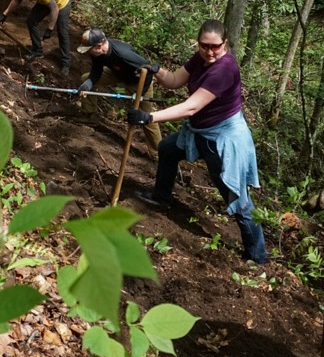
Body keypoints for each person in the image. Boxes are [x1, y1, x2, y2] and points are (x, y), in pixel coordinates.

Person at [127, 19, 267, 265]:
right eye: (204, 45)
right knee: (168, 149)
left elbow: (192, 106)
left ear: (225, 44)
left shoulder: (224, 69)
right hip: (199, 131)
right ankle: (161, 197)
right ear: (198, 43)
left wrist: (148, 117)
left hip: (223, 138)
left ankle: (257, 256)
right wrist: (157, 70)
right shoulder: (199, 59)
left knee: (237, 198)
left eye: (215, 46)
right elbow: (173, 81)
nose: (209, 51)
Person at [77, 28, 162, 155]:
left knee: (146, 116)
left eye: (89, 49)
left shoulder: (124, 54)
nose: (88, 52)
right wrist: (90, 82)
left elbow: (148, 72)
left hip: (139, 82)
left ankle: (158, 153)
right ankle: (89, 114)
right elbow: (96, 69)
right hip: (117, 74)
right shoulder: (98, 53)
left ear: (99, 46)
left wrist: (140, 94)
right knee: (85, 78)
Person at [0, 0, 72, 75]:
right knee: (32, 20)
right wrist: (4, 14)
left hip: (62, 0)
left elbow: (54, 9)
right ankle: (38, 51)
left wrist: (49, 29)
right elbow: (17, 0)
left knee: (62, 31)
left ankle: (66, 63)